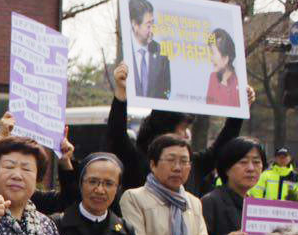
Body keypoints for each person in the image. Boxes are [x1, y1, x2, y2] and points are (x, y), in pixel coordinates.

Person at [106, 63, 255, 196]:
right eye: (182, 129)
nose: (178, 168)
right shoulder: (136, 162)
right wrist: (120, 95)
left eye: (183, 162)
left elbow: (221, 147)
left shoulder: (193, 165)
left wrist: (239, 111)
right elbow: (116, 135)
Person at [0, 112, 79, 213]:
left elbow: (66, 200)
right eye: (9, 165)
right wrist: (0, 138)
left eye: (26, 168)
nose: (17, 174)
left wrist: (65, 161)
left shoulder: (29, 200)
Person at [119, 134, 211, 235]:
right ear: (153, 165)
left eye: (184, 161)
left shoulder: (193, 202)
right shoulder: (134, 198)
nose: (177, 168)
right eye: (170, 160)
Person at [52, 152, 134, 235]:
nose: (100, 190)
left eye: (108, 184)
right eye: (92, 182)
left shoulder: (125, 231)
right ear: (81, 184)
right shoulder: (56, 225)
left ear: (117, 189)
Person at [202, 137, 266, 235]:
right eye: (243, 162)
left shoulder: (257, 206)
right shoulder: (210, 202)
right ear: (227, 168)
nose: (251, 168)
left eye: (256, 162)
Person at [128, 0, 171, 100]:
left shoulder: (161, 53)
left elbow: (167, 92)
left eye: (153, 24)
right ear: (135, 25)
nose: (152, 30)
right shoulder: (125, 51)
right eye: (148, 25)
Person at [205, 28, 241, 107]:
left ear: (225, 58)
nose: (210, 58)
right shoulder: (213, 78)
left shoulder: (238, 84)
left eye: (213, 53)